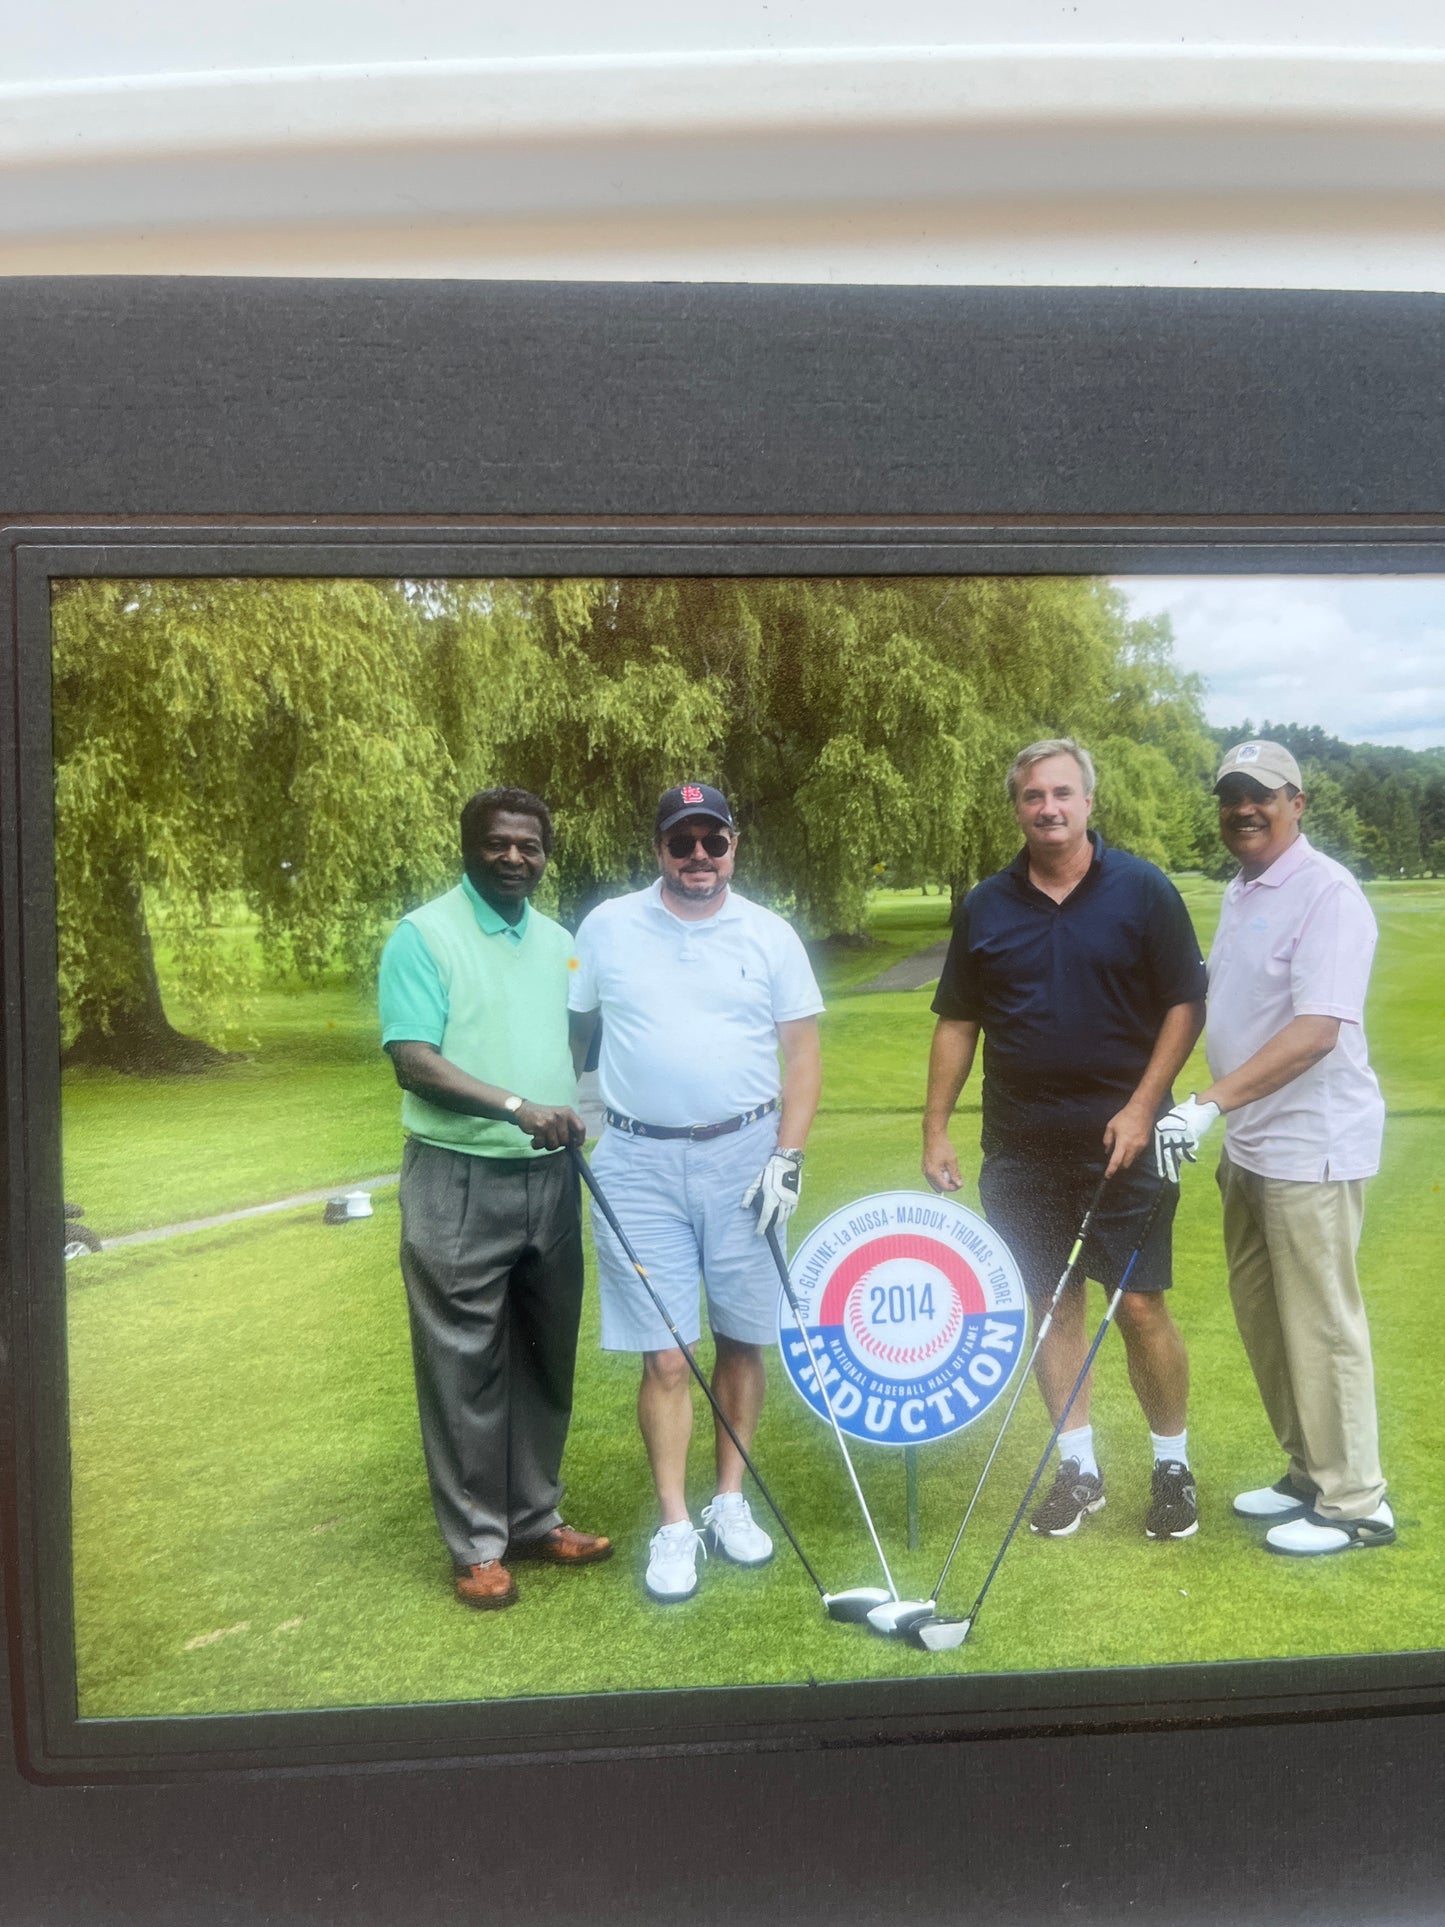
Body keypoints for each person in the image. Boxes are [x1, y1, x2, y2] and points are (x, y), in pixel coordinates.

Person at [922, 738, 1208, 1539]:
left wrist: (1144, 1104)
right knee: (1051, 1306)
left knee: (1141, 1307)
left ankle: (1171, 1465)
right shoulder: (986, 903)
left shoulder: (1143, 890)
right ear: (1016, 807)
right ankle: (1078, 1470)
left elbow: (1186, 1002)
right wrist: (935, 1126)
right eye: (1031, 796)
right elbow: (958, 1021)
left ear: (1088, 801)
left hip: (1125, 1140)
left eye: (1061, 793)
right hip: (1020, 1147)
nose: (1047, 807)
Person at [568, 782, 824, 1603]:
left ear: (733, 846)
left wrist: (788, 1154)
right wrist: (584, 1115)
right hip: (638, 1162)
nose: (698, 858)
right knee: (668, 1353)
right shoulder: (607, 924)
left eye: (712, 841)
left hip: (748, 1155)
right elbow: (578, 1028)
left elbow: (802, 1056)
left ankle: (728, 1502)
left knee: (744, 1339)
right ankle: (676, 1524)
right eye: (682, 843)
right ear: (658, 851)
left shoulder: (769, 933)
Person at [1153, 740, 1393, 1556]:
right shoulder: (1242, 887)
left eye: (1260, 794)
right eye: (1229, 795)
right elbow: (1224, 995)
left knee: (1320, 1324)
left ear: (1297, 800)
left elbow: (1316, 1030)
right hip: (1252, 1146)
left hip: (1310, 1146)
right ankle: (1307, 1471)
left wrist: (1206, 1103)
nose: (1242, 808)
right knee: (1266, 1320)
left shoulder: (1327, 892)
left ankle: (1356, 1502)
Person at [378, 786, 612, 1610]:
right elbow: (413, 1059)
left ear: (547, 853)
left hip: (549, 1177)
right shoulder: (424, 935)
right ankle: (477, 1542)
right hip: (457, 1174)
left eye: (530, 845)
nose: (515, 857)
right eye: (498, 843)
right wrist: (518, 1106)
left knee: (544, 1354)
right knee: (462, 1363)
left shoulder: (559, 942)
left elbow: (581, 1037)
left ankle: (534, 1515)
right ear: (468, 846)